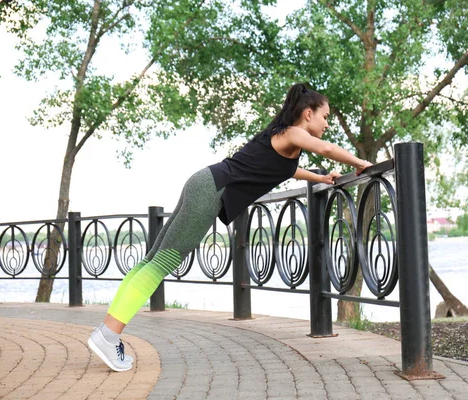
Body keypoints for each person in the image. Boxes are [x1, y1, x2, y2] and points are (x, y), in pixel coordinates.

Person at [87, 83, 373, 371]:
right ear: (308, 114)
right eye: (325, 117)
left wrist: (319, 179)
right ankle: (110, 335)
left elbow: (284, 170)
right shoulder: (293, 132)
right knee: (162, 263)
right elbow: (326, 148)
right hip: (211, 191)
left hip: (206, 182)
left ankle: (105, 331)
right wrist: (361, 162)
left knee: (152, 259)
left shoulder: (283, 138)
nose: (327, 124)